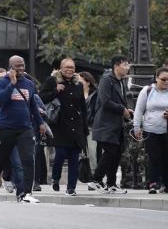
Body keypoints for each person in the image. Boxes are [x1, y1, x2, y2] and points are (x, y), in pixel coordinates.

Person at [0, 55, 45, 203]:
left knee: (28, 160)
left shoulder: (29, 83)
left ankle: (26, 193)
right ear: (10, 67)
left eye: (22, 65)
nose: (20, 69)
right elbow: (0, 99)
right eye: (17, 66)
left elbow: (32, 105)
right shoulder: (1, 82)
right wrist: (12, 84)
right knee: (0, 160)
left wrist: (40, 123)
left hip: (25, 128)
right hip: (6, 127)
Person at [39, 57, 87, 196]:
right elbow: (41, 98)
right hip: (59, 125)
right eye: (67, 67)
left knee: (73, 158)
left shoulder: (78, 84)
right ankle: (55, 178)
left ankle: (71, 187)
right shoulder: (52, 81)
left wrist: (84, 129)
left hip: (76, 126)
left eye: (72, 67)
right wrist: (56, 90)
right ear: (61, 68)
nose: (69, 70)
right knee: (60, 155)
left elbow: (82, 107)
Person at [92, 56, 132, 193]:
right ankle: (96, 179)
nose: (128, 67)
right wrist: (123, 110)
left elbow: (120, 102)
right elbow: (105, 101)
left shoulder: (121, 82)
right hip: (105, 124)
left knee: (116, 154)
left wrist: (127, 111)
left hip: (117, 125)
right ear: (116, 65)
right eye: (125, 64)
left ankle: (111, 184)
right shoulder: (106, 79)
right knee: (110, 152)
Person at [132, 65, 168, 194]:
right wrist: (136, 127)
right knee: (154, 157)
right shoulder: (147, 91)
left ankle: (166, 183)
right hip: (150, 130)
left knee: (166, 157)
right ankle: (153, 183)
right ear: (156, 79)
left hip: (166, 130)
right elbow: (139, 110)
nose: (166, 82)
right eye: (163, 79)